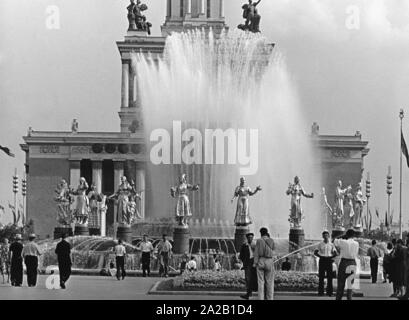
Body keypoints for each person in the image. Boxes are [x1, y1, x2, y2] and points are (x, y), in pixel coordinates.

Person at [334, 229, 359, 300]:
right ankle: (349, 298)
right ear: (354, 235)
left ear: (346, 234)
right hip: (353, 263)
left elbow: (334, 240)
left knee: (341, 284)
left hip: (344, 263)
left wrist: (343, 235)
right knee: (350, 285)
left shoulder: (343, 242)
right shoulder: (357, 243)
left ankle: (338, 298)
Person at [253, 228, 275, 300]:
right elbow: (274, 252)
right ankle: (270, 298)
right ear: (267, 232)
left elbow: (256, 253)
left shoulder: (259, 241)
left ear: (261, 233)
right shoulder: (271, 240)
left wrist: (255, 263)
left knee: (260, 282)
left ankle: (261, 298)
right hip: (269, 261)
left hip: (261, 260)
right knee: (270, 282)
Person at [314, 230, 337, 297]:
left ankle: (330, 292)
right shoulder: (320, 244)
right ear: (322, 236)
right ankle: (320, 292)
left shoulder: (331, 244)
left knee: (330, 277)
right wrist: (320, 256)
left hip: (329, 260)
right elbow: (315, 252)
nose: (325, 237)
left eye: (327, 235)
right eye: (324, 236)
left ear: (328, 236)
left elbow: (335, 253)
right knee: (321, 277)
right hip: (322, 260)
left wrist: (332, 257)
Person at [239, 233, 257, 300]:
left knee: (253, 279)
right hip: (248, 263)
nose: (250, 238)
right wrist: (244, 263)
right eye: (249, 237)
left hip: (254, 263)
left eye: (251, 237)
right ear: (247, 238)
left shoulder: (255, 245)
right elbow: (241, 255)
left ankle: (250, 292)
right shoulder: (244, 245)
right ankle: (248, 293)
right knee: (248, 279)